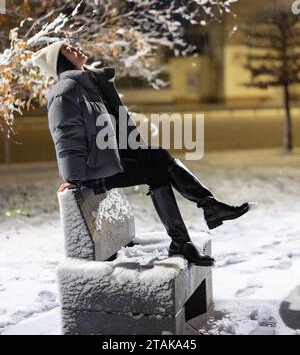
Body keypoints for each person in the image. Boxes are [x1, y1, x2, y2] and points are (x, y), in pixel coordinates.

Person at [32, 40, 251, 267]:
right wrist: (73, 178)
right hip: (93, 171)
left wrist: (136, 149)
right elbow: (66, 137)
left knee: (158, 156)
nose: (76, 49)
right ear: (60, 61)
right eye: (69, 50)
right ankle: (191, 230)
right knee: (156, 172)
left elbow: (115, 123)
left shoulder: (91, 83)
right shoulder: (65, 91)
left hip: (110, 158)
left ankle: (206, 209)